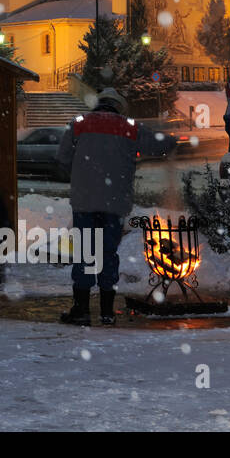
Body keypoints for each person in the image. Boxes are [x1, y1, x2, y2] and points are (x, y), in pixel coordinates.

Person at [54, 87, 158, 326]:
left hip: (85, 203)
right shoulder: (129, 126)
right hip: (114, 204)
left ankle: (80, 310)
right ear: (118, 106)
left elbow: (62, 159)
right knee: (108, 254)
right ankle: (107, 312)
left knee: (85, 254)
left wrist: (81, 172)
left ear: (98, 103)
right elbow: (157, 145)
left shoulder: (79, 123)